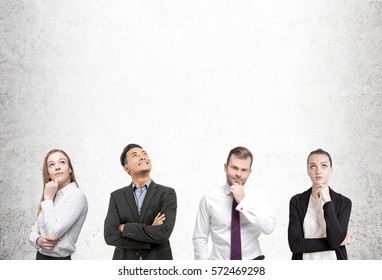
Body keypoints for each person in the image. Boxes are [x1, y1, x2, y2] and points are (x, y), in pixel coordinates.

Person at [192, 146, 276, 260]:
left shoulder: (259, 196)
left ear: (250, 172)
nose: (238, 174)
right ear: (225, 167)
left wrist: (243, 201)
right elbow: (200, 237)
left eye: (244, 170)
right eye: (234, 168)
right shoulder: (209, 198)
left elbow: (268, 228)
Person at [104, 143, 177, 260]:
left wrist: (124, 228)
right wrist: (150, 235)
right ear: (126, 168)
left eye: (144, 154)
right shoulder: (117, 196)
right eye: (135, 155)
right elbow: (109, 236)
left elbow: (163, 233)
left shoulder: (167, 193)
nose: (143, 157)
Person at [288, 148, 352, 260]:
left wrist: (327, 201)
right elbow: (295, 245)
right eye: (313, 166)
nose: (318, 171)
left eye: (324, 166)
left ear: (331, 170)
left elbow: (335, 239)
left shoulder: (344, 202)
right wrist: (338, 242)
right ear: (308, 171)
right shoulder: (297, 201)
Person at [28, 149, 88, 260]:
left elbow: (53, 233)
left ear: (70, 169)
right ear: (49, 174)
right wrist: (38, 240)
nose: (57, 167)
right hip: (40, 258)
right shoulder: (51, 195)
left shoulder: (76, 196)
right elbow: (33, 231)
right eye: (51, 165)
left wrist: (47, 199)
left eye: (62, 162)